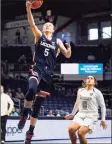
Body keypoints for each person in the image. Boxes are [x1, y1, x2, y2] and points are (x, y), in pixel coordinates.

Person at [18, 1, 71, 144]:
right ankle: (24, 114)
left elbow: (66, 55)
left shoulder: (57, 41)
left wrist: (68, 49)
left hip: (48, 75)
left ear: (53, 29)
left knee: (38, 106)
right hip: (37, 69)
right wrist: (28, 8)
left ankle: (30, 132)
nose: (47, 25)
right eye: (46, 24)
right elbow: (31, 23)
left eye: (50, 25)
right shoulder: (39, 35)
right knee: (31, 89)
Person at [65, 75, 107, 144]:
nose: (89, 79)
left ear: (94, 82)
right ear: (85, 81)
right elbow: (77, 103)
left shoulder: (97, 92)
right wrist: (72, 114)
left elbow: (103, 106)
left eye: (91, 78)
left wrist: (103, 120)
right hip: (81, 114)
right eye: (88, 78)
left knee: (80, 133)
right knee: (71, 129)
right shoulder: (80, 91)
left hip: (91, 115)